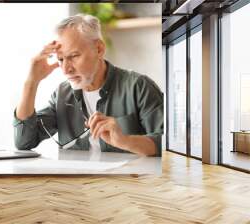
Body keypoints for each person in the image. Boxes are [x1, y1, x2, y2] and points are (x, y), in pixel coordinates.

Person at [13, 13, 163, 156]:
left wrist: (125, 141)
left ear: (99, 49)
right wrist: (31, 83)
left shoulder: (139, 86)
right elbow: (24, 142)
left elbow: (167, 144)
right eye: (60, 59)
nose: (66, 69)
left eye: (73, 56)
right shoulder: (62, 93)